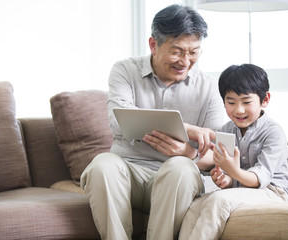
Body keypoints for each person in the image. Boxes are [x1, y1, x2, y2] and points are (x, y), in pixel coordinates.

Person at [80, 4, 224, 240]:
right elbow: (118, 121)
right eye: (177, 51)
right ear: (153, 45)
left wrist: (189, 153)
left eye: (194, 52)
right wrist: (187, 129)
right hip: (129, 172)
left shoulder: (208, 87)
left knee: (181, 168)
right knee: (102, 164)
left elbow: (219, 152)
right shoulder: (125, 70)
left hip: (176, 178)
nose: (186, 61)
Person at [179, 64, 288, 240]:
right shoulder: (226, 130)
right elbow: (228, 175)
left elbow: (259, 178)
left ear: (265, 100)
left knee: (218, 201)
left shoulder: (273, 132)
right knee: (195, 206)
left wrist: (233, 172)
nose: (238, 110)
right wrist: (225, 179)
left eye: (246, 102)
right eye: (231, 102)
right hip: (243, 189)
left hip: (272, 191)